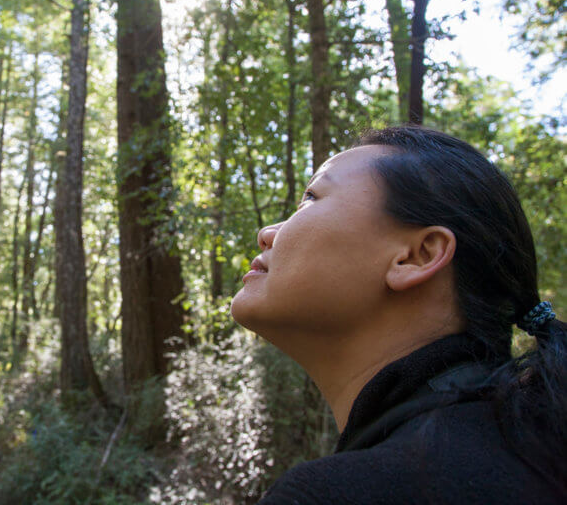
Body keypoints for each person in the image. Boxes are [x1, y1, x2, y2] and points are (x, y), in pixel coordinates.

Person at [231, 126, 566, 504]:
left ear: (416, 256)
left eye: (311, 197)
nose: (267, 233)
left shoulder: (343, 493)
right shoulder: (529, 456)